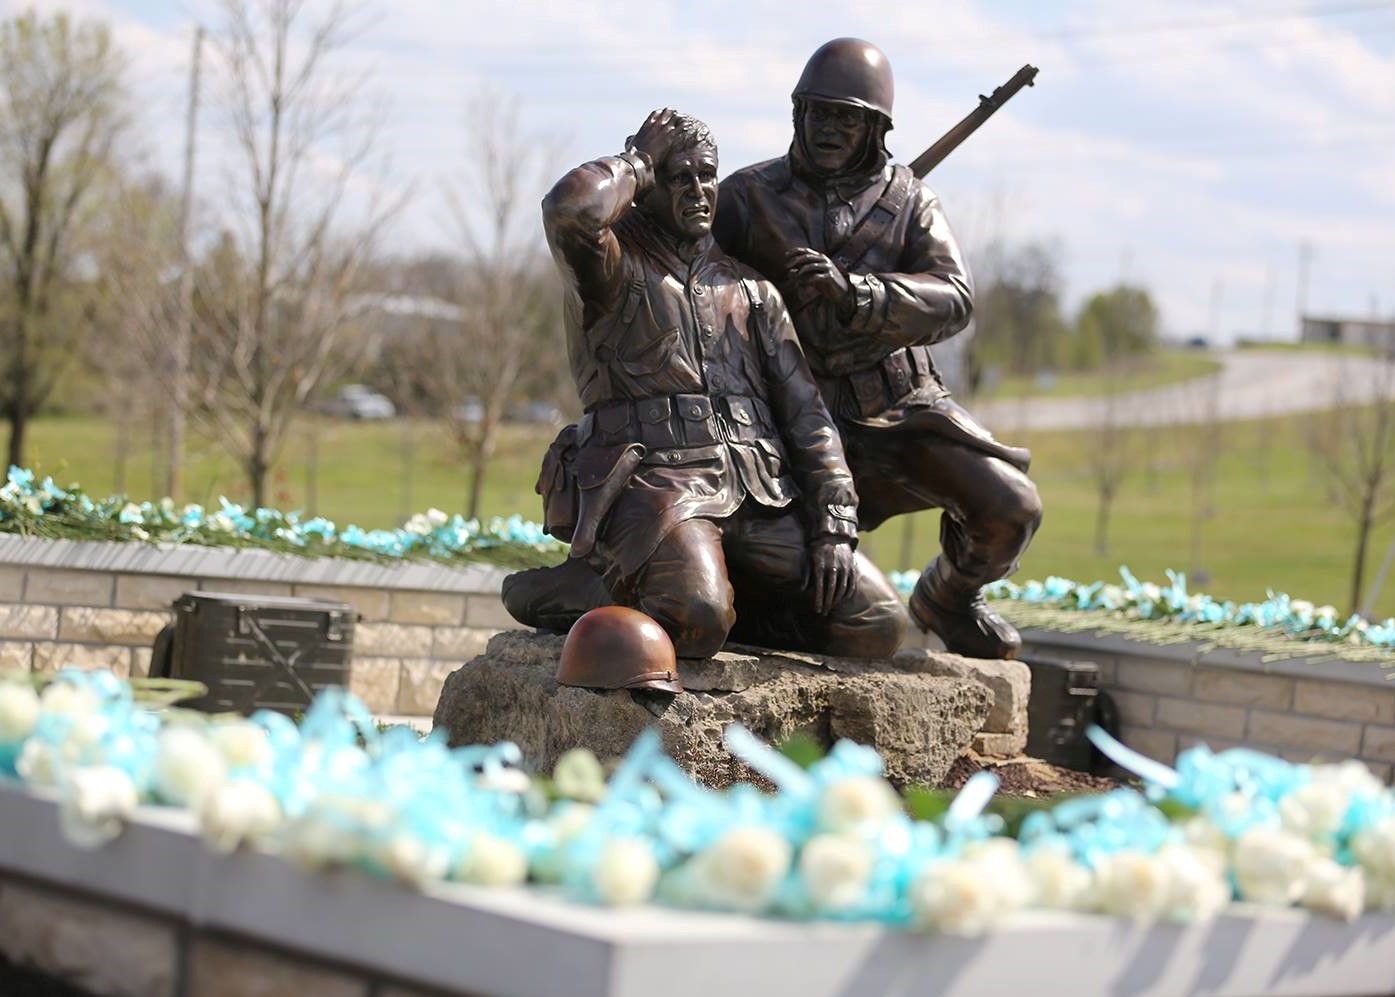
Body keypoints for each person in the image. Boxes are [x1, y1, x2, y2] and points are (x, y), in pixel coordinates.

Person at [505, 108, 905, 660]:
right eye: (679, 178)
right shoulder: (611, 269)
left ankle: (712, 605)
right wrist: (638, 161)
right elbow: (569, 211)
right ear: (647, 189)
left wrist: (834, 521)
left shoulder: (753, 291)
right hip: (658, 491)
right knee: (695, 620)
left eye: (708, 175)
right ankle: (597, 587)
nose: (698, 191)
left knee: (876, 622)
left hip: (762, 497)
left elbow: (808, 417)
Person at [713, 38, 1041, 659]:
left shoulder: (909, 201)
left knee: (1011, 508)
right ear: (797, 113)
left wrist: (860, 294)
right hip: (783, 422)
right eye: (819, 113)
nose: (829, 129)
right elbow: (689, 283)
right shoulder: (747, 197)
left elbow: (955, 297)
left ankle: (948, 599)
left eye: (847, 118)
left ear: (876, 128)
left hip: (895, 411)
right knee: (781, 559)